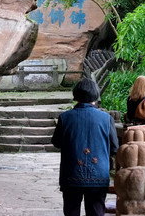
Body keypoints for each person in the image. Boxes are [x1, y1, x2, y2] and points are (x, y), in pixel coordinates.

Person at [52, 78, 119, 216]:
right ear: (95, 95)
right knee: (96, 212)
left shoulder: (65, 117)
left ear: (76, 95)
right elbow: (114, 147)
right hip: (98, 176)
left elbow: (57, 142)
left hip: (71, 174)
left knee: (71, 211)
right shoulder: (106, 119)